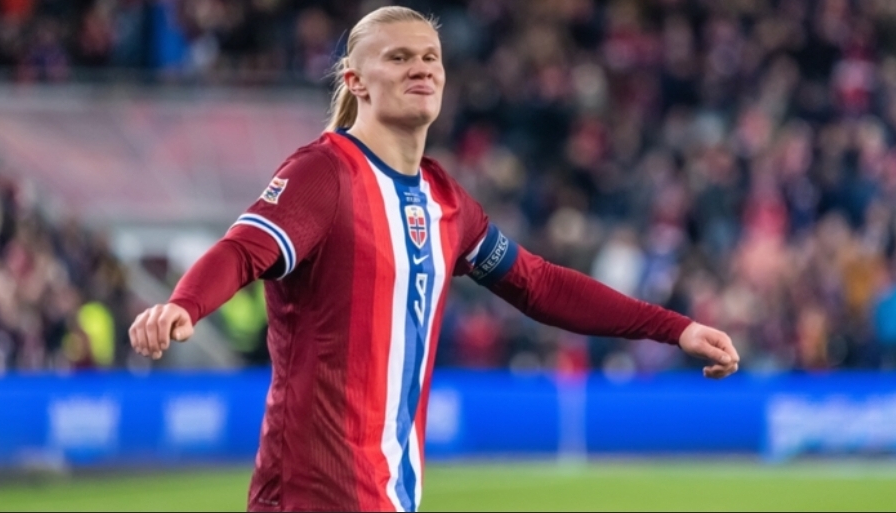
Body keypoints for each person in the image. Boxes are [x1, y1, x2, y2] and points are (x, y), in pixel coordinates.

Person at [128, 6, 740, 512]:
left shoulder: (445, 200)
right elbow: (243, 249)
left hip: (394, 493)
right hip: (315, 494)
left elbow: (538, 284)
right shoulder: (324, 174)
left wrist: (675, 328)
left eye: (430, 57)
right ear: (355, 81)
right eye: (398, 57)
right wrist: (185, 304)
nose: (421, 67)